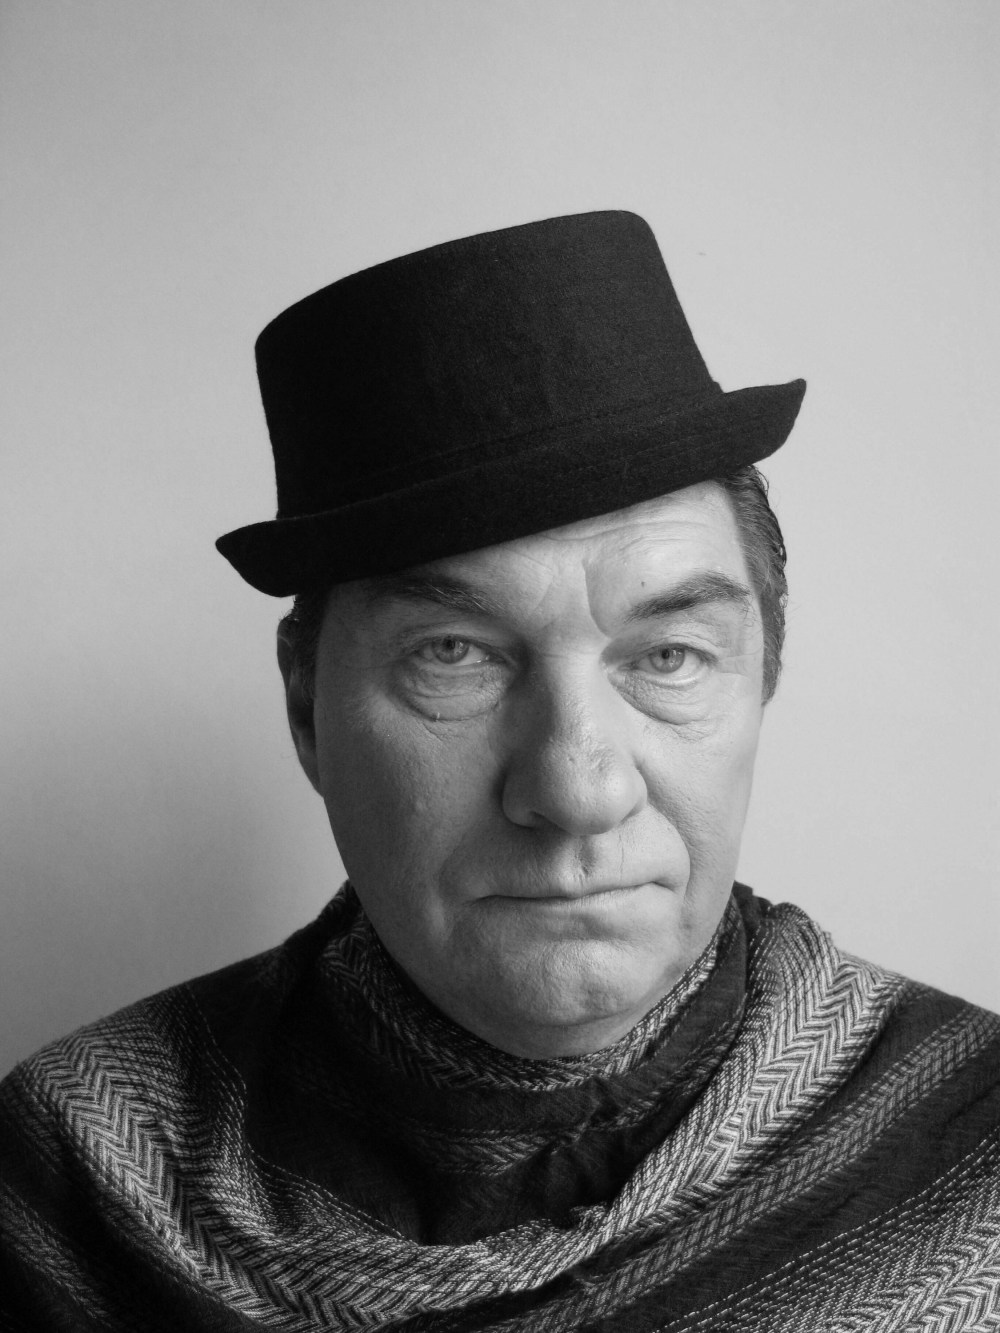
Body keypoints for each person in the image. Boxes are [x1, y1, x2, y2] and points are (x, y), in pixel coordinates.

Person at [1, 211, 997, 1331]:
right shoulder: (71, 1184)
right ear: (306, 709)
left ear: (761, 675)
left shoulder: (976, 1156)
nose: (578, 792)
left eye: (669, 656)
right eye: (454, 655)